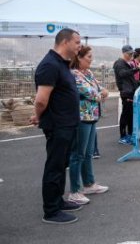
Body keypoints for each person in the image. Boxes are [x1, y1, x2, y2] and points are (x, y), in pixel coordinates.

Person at [29, 28, 83, 224]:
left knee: (61, 166)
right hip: (58, 125)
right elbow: (41, 100)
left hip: (67, 125)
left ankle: (58, 201)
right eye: (77, 42)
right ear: (65, 42)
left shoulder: (61, 64)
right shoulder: (50, 65)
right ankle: (51, 211)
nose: (80, 46)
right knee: (54, 166)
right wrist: (37, 116)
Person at [67, 46, 109, 205]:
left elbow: (99, 89)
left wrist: (100, 93)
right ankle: (74, 191)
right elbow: (91, 93)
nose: (91, 59)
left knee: (88, 152)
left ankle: (89, 183)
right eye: (89, 57)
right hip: (81, 117)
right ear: (79, 58)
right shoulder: (74, 75)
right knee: (78, 154)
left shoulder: (88, 73)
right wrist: (100, 94)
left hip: (92, 116)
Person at [113, 45, 140, 144]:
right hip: (126, 93)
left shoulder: (126, 63)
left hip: (131, 92)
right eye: (129, 54)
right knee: (125, 114)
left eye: (132, 54)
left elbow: (131, 79)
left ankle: (130, 134)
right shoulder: (119, 63)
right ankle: (123, 136)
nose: (131, 56)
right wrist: (136, 69)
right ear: (124, 53)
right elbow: (123, 74)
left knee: (130, 115)